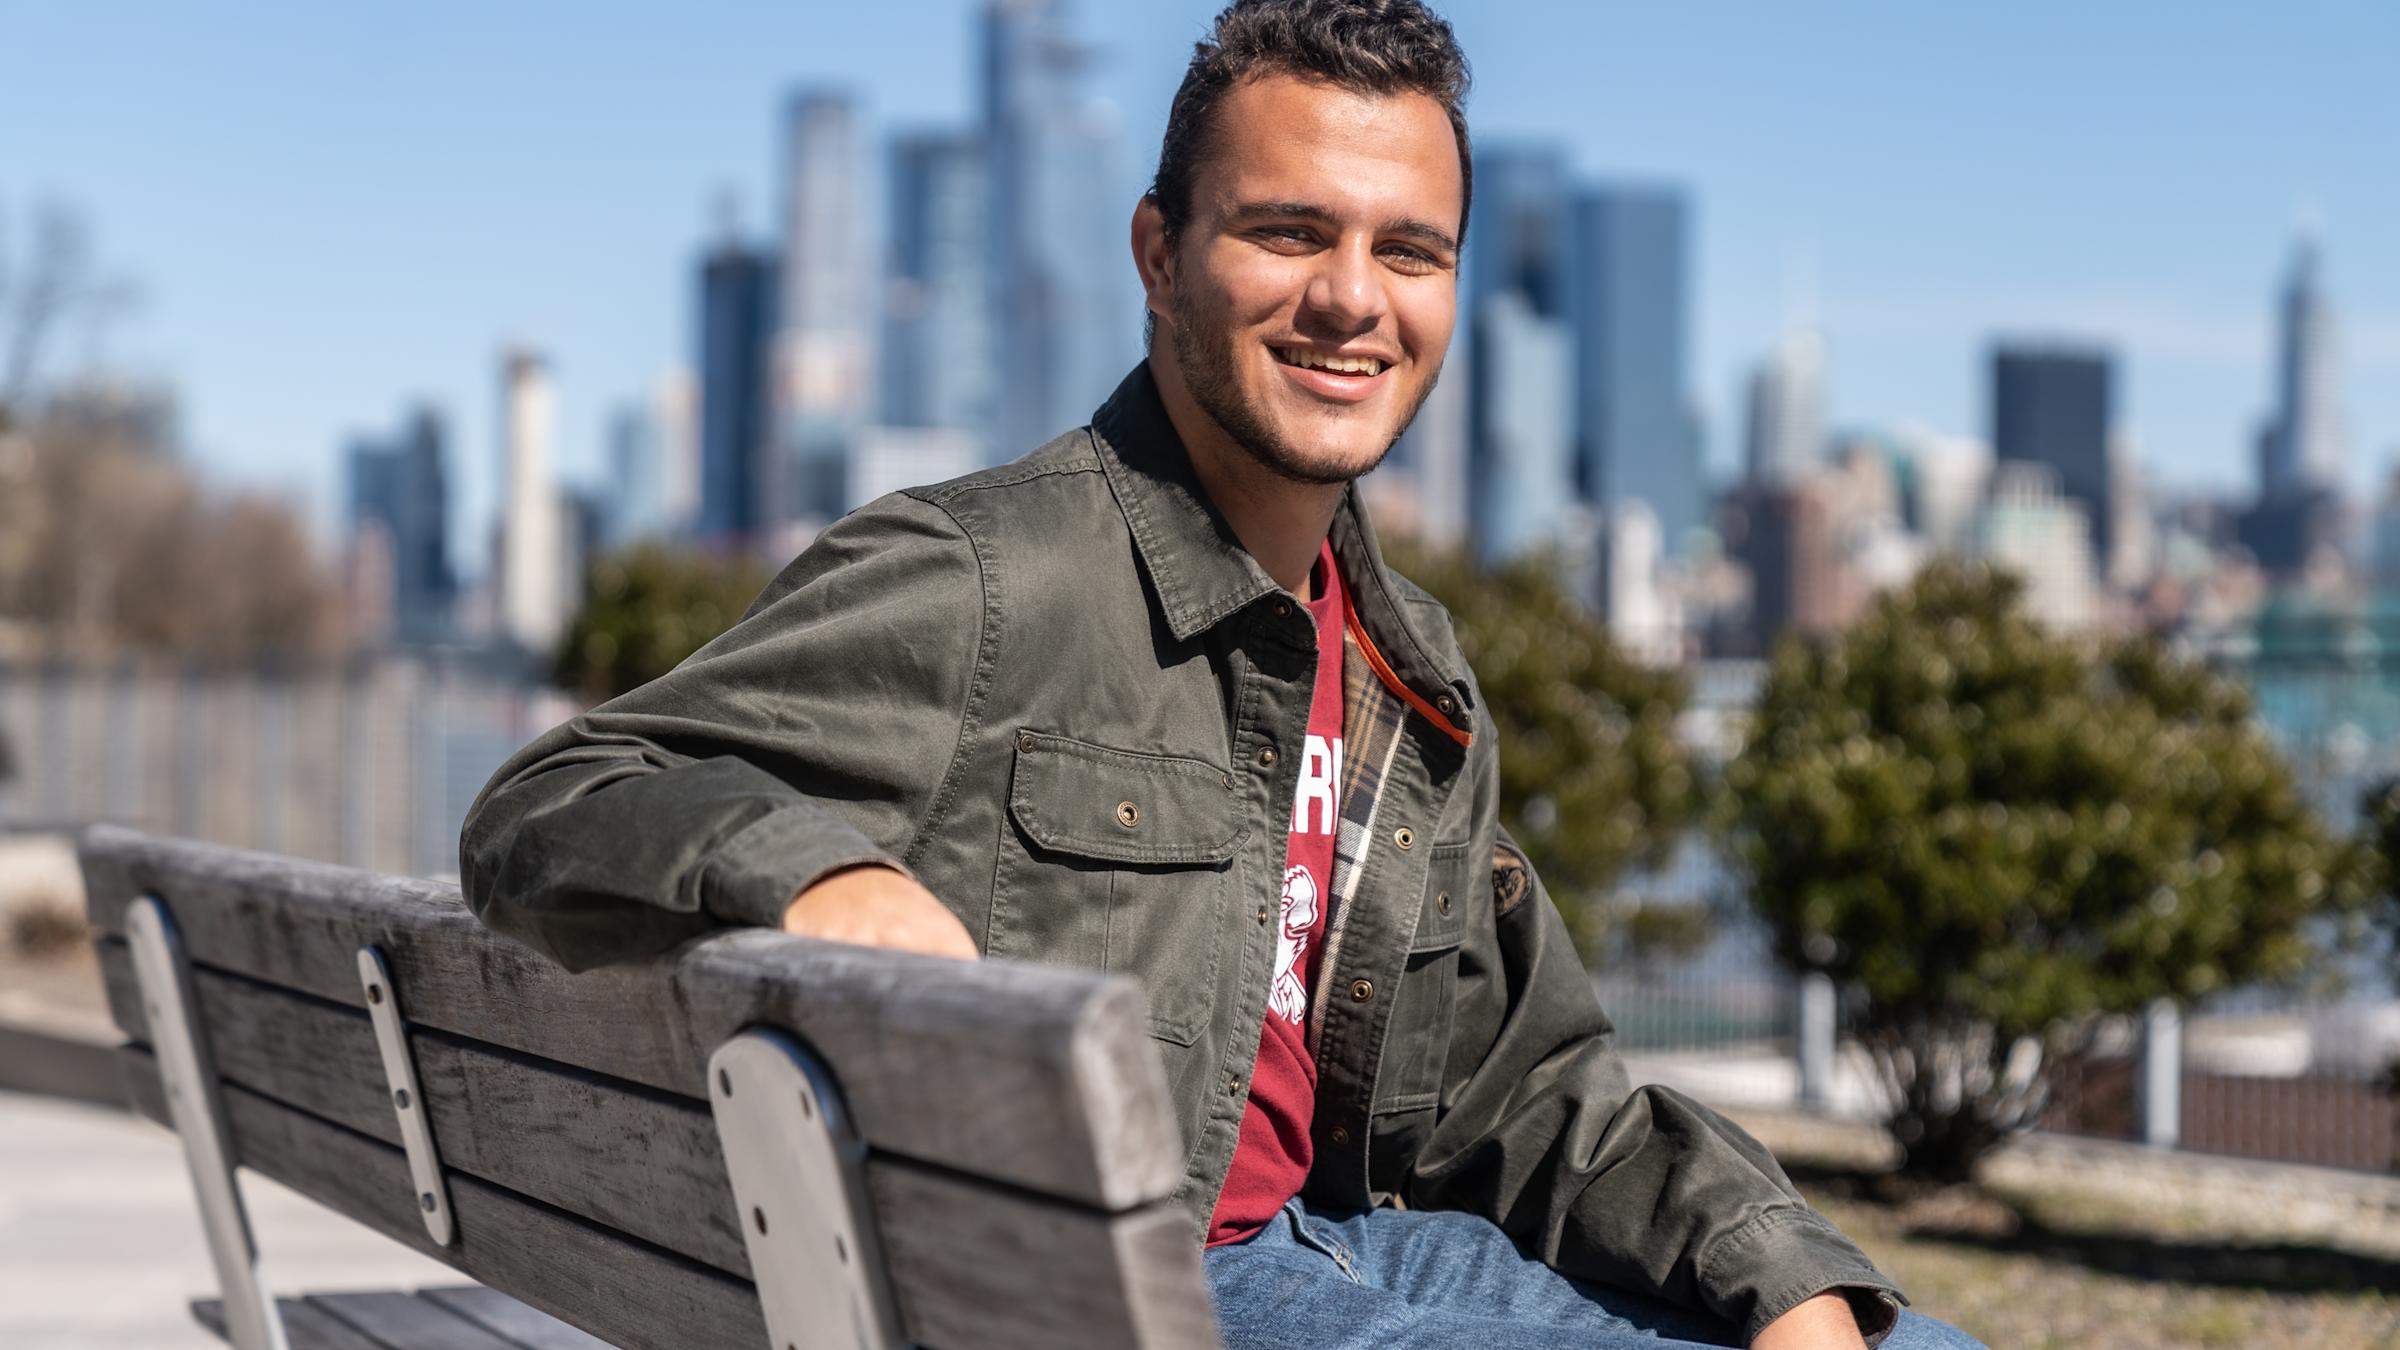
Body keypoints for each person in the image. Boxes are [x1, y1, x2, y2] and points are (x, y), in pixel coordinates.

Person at [461, 3, 1980, 1346]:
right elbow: (552, 802)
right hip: (1128, 1289)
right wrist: (816, 873)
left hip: (1352, 1251)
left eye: (1409, 250)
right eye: (1285, 231)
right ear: (1157, 254)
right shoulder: (992, 575)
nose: (1351, 297)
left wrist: (1780, 1276)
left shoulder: (1409, 668)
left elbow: (1527, 1095)